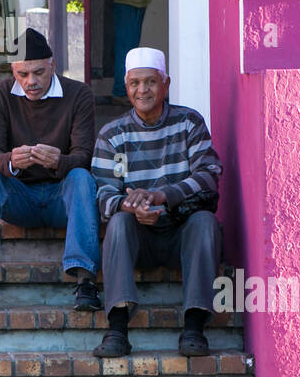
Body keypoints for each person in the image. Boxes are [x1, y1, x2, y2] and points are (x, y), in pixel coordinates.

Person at [90, 48, 223, 358]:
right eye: (135, 83)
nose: (142, 90)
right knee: (119, 222)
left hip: (182, 233)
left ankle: (194, 327)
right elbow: (101, 192)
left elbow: (209, 175)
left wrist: (162, 195)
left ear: (166, 84)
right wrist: (130, 206)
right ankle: (118, 329)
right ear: (126, 85)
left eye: (151, 82)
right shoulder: (112, 134)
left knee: (205, 222)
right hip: (139, 239)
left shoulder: (189, 122)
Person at [0, 28, 100, 312]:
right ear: (12, 70)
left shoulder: (79, 94)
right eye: (22, 74)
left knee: (81, 177)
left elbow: (85, 156)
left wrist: (59, 162)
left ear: (52, 64)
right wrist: (12, 162)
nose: (31, 82)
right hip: (19, 198)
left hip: (61, 198)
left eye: (39, 72)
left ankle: (86, 280)